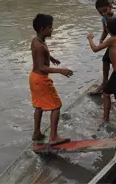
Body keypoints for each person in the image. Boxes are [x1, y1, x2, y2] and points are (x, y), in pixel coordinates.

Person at [30, 14, 73, 145]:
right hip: (41, 79)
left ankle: (37, 133)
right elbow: (41, 67)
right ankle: (53, 137)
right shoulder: (40, 46)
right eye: (50, 28)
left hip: (33, 78)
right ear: (43, 29)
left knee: (39, 106)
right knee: (57, 106)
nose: (52, 30)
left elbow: (41, 56)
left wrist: (51, 58)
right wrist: (61, 70)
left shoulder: (36, 40)